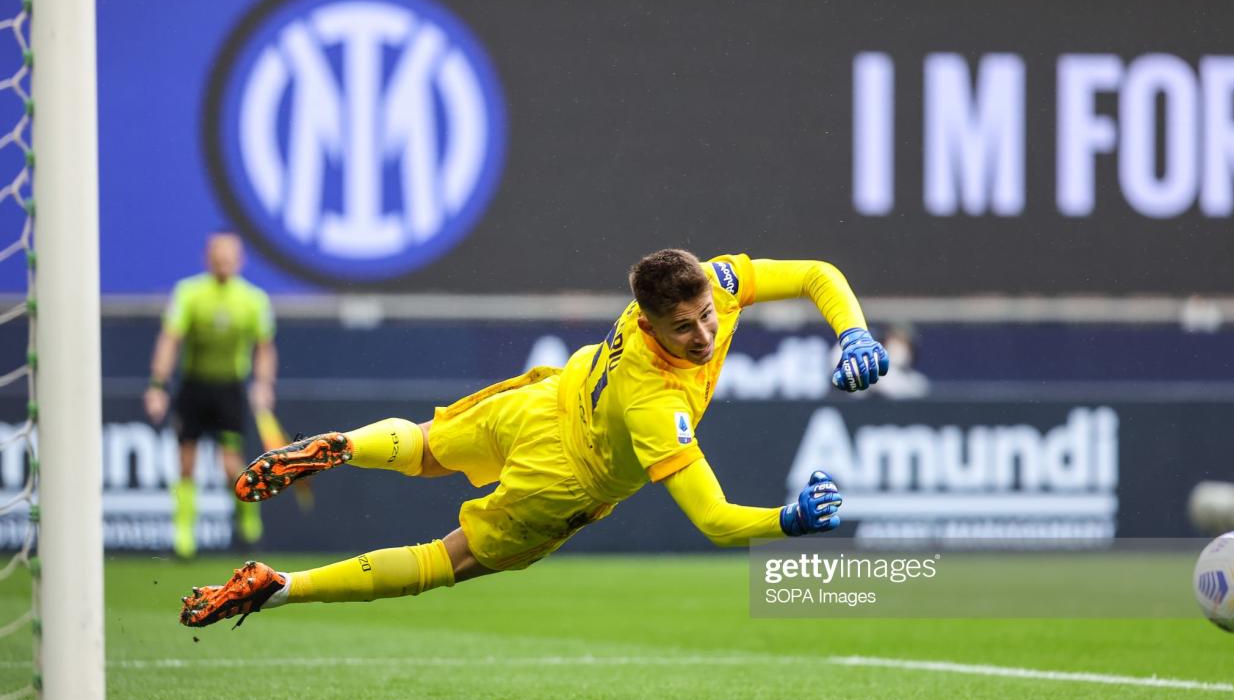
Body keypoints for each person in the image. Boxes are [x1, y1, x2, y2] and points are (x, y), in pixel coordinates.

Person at [179, 251, 887, 627]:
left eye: (706, 315)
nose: (703, 334)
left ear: (713, 288)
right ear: (646, 324)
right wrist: (786, 521)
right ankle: (279, 588)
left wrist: (852, 328)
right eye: (683, 327)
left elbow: (821, 274)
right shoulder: (654, 401)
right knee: (446, 560)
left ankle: (344, 444)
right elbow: (715, 520)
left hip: (548, 396)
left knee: (424, 447)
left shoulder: (717, 281)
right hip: (564, 477)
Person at [145, 231, 277, 560]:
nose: (223, 262)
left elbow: (264, 348)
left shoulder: (253, 299)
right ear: (208, 258)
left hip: (229, 390)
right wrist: (158, 385)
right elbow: (170, 339)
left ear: (239, 260)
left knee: (230, 466)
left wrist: (262, 385)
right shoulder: (189, 293)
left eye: (229, 256)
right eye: (218, 255)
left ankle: (248, 520)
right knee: (185, 462)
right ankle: (184, 538)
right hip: (194, 387)